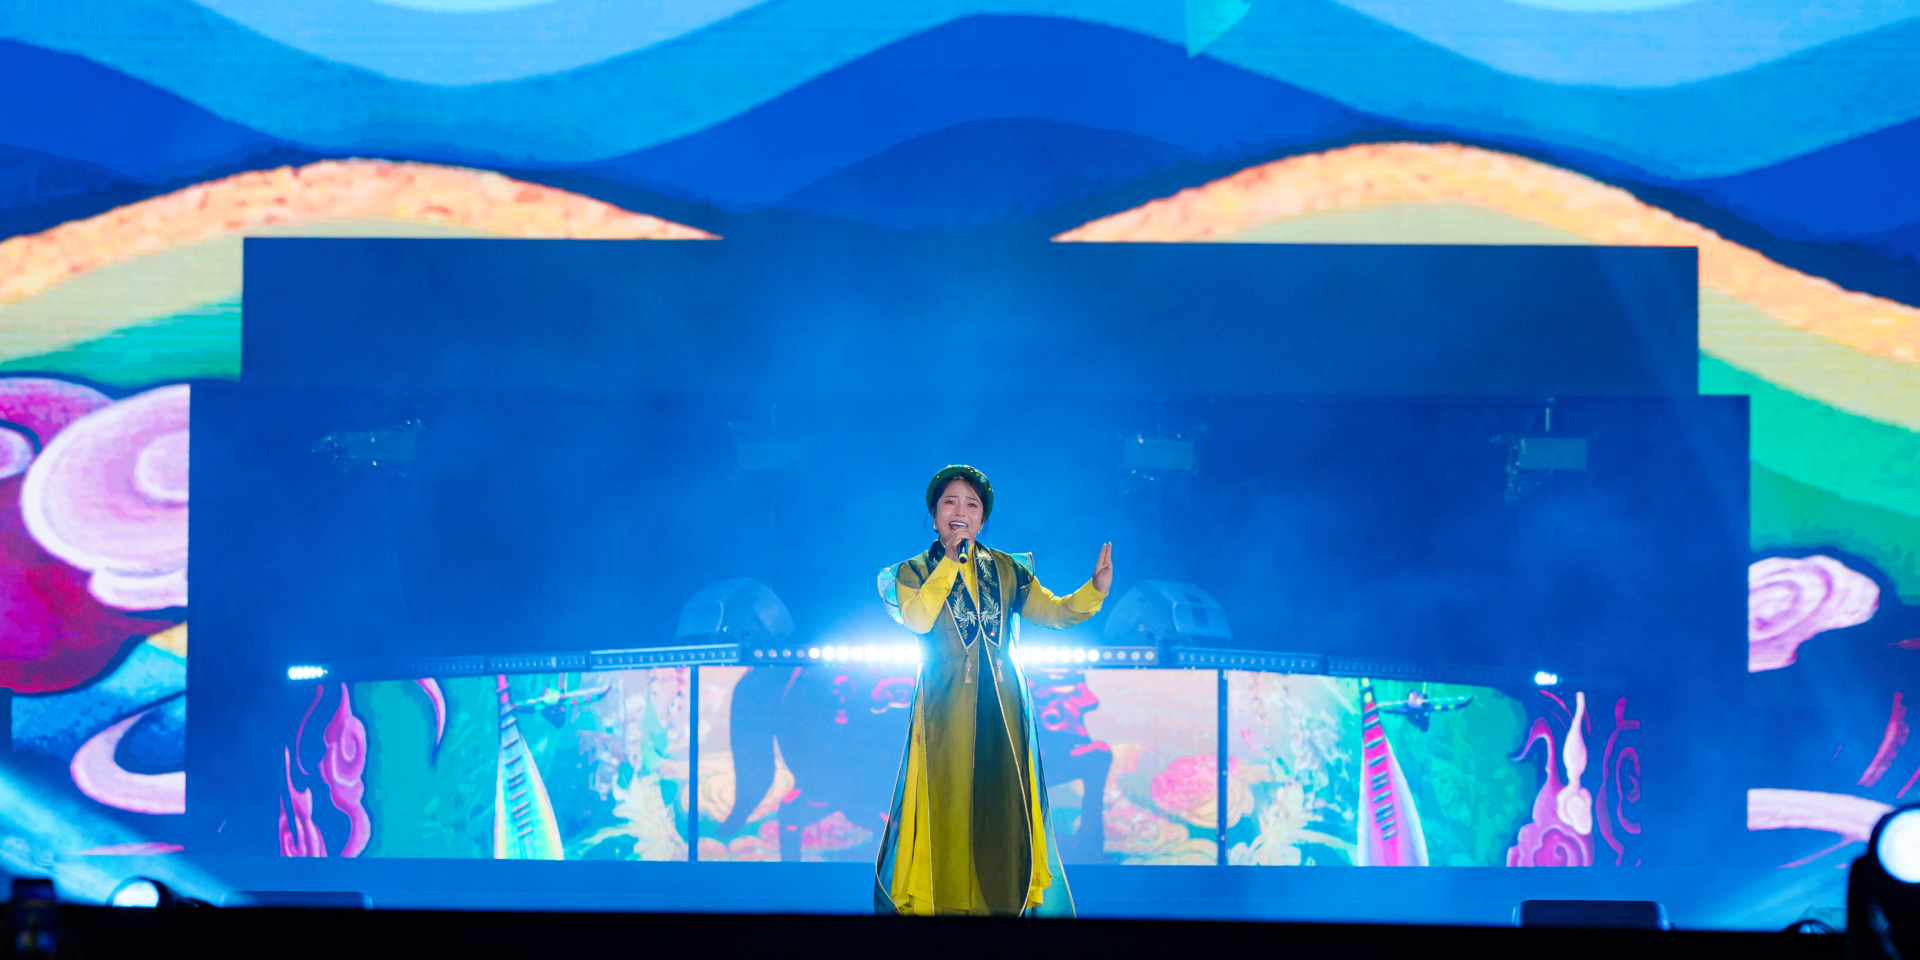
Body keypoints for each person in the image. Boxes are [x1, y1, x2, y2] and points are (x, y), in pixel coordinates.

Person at [873, 464, 1113, 916]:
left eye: (971, 505)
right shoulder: (911, 571)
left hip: (1003, 706)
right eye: (950, 503)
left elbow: (1054, 612)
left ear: (982, 520)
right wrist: (950, 562)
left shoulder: (1006, 569)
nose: (960, 511)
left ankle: (1000, 907)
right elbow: (919, 619)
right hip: (944, 707)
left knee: (1002, 805)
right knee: (948, 803)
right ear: (934, 516)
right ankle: (944, 905)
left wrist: (1094, 591)